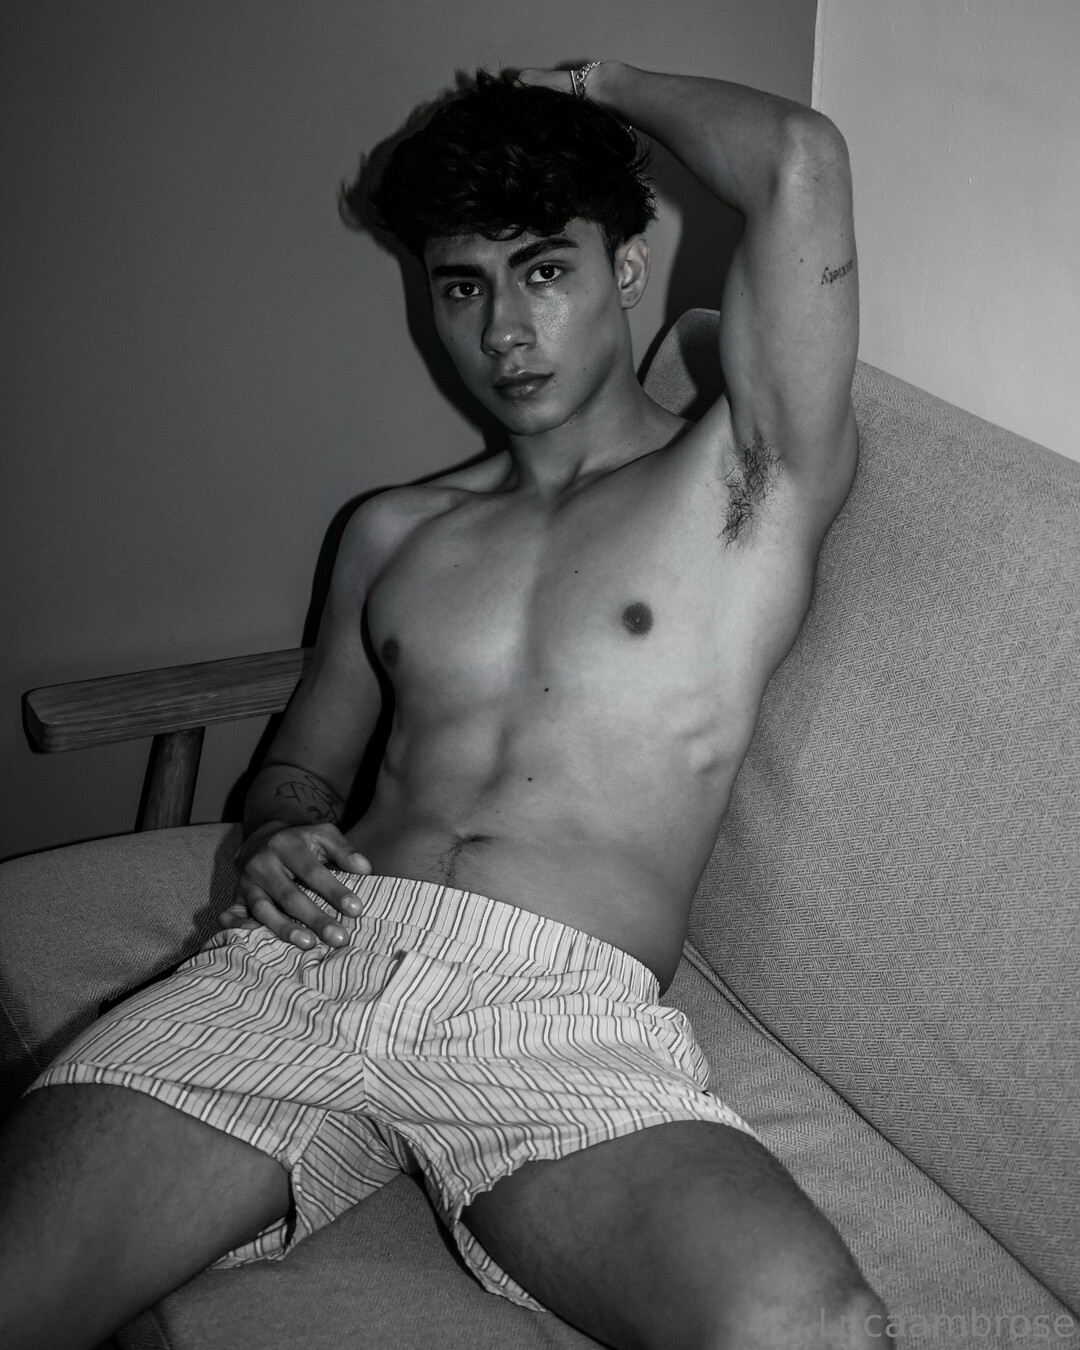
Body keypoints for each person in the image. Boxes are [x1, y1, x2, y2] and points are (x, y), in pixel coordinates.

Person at [0, 62, 887, 1350]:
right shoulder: (393, 533)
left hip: (553, 1012)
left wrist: (591, 85)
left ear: (628, 267)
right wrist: (280, 832)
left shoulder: (742, 480)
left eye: (545, 270)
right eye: (463, 286)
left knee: (810, 1327)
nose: (503, 333)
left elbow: (801, 159)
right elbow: (301, 767)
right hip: (299, 966)